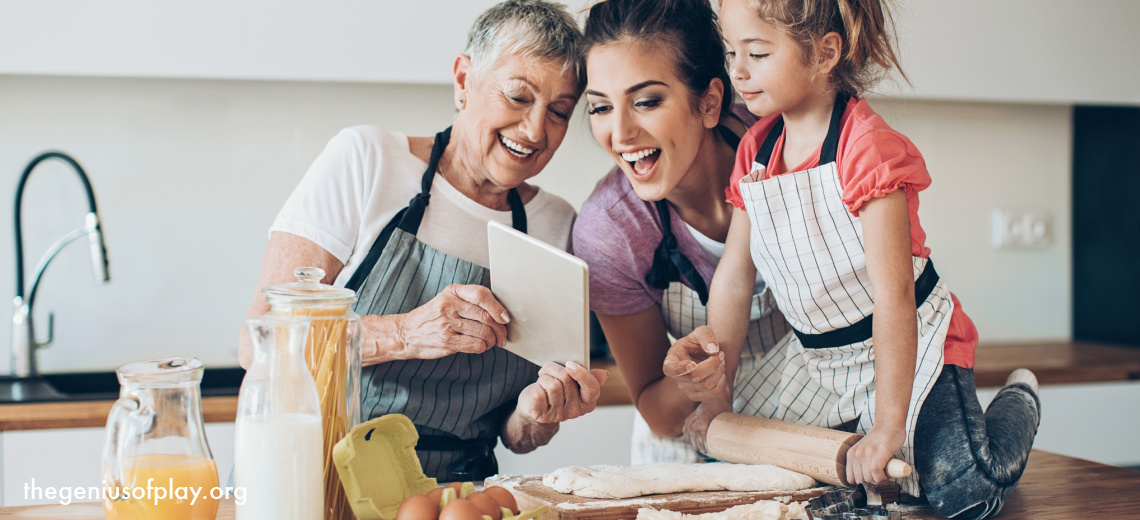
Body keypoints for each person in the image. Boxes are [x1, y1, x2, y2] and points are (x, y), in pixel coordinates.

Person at [667, 0, 1042, 516]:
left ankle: (1016, 404)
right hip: (818, 361)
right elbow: (733, 280)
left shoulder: (866, 148)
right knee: (738, 469)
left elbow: (894, 298)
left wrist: (889, 425)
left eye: (756, 52)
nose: (737, 70)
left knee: (965, 494)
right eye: (732, 51)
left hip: (912, 347)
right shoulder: (755, 151)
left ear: (825, 53)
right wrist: (716, 397)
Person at [239, 0, 608, 482]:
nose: (535, 129)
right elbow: (258, 342)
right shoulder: (367, 162)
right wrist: (408, 333)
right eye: (518, 98)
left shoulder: (557, 225)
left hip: (454, 495)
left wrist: (539, 413)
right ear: (463, 81)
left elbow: (514, 434)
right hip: (312, 478)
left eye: (558, 112)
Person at [571, 0, 790, 463]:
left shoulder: (786, 148)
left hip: (806, 395)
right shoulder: (609, 232)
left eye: (647, 101)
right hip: (686, 428)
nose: (621, 132)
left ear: (709, 102)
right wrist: (692, 382)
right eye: (601, 108)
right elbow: (659, 413)